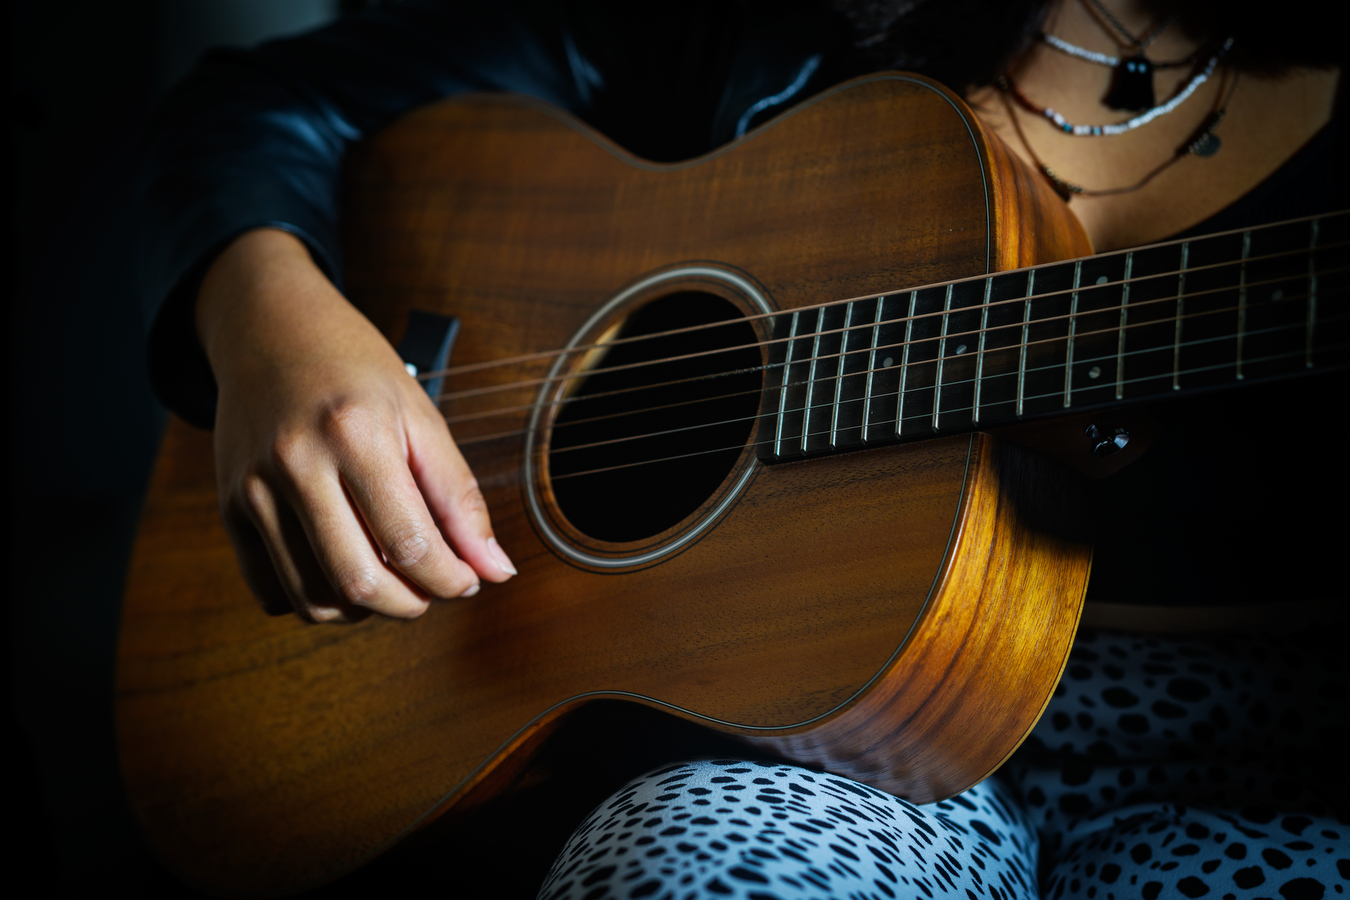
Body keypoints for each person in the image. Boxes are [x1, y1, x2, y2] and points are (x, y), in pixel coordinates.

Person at [132, 1, 1346, 897]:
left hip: (1271, 768)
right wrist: (268, 327)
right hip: (831, 752)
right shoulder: (774, 18)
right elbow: (266, 102)